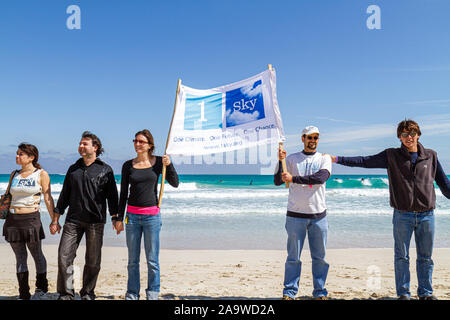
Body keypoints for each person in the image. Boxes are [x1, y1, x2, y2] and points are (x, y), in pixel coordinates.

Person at [328, 119, 450, 300]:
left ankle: (426, 293)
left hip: (427, 215)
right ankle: (404, 293)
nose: (409, 137)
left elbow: (445, 184)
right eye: (405, 134)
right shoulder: (391, 155)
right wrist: (337, 159)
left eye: (412, 134)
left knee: (426, 257)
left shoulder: (431, 156)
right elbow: (364, 161)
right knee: (402, 257)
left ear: (418, 134)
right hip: (402, 215)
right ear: (399, 137)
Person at [51, 131, 120, 300]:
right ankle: (66, 293)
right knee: (63, 256)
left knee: (93, 260)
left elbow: (113, 197)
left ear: (95, 147)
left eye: (85, 144)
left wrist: (115, 218)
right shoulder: (73, 168)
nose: (81, 146)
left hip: (95, 222)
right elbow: (64, 195)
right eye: (80, 143)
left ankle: (88, 292)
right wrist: (55, 219)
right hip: (72, 221)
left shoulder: (105, 170)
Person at [118, 129, 179, 300]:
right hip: (131, 217)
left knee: (152, 260)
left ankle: (152, 293)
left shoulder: (159, 162)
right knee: (132, 261)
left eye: (141, 142)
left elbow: (175, 183)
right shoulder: (127, 165)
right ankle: (132, 294)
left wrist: (170, 165)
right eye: (135, 141)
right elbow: (123, 193)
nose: (137, 144)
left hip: (152, 217)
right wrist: (118, 218)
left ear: (150, 145)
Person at [274, 126, 332, 300]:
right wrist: (280, 162)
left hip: (318, 216)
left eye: (316, 138)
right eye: (309, 137)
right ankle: (289, 292)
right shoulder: (291, 159)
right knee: (293, 258)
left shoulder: (324, 158)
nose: (313, 141)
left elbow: (320, 178)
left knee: (319, 258)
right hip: (295, 216)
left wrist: (294, 179)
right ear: (303, 138)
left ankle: (320, 292)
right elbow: (278, 181)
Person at [2, 143, 56, 300]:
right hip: (13, 220)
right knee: (20, 257)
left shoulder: (41, 174)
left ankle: (41, 288)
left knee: (37, 254)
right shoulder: (14, 174)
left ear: (31, 157)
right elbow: (7, 196)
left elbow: (47, 197)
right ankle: (23, 293)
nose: (17, 156)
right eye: (17, 153)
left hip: (31, 219)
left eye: (21, 154)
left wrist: (54, 220)